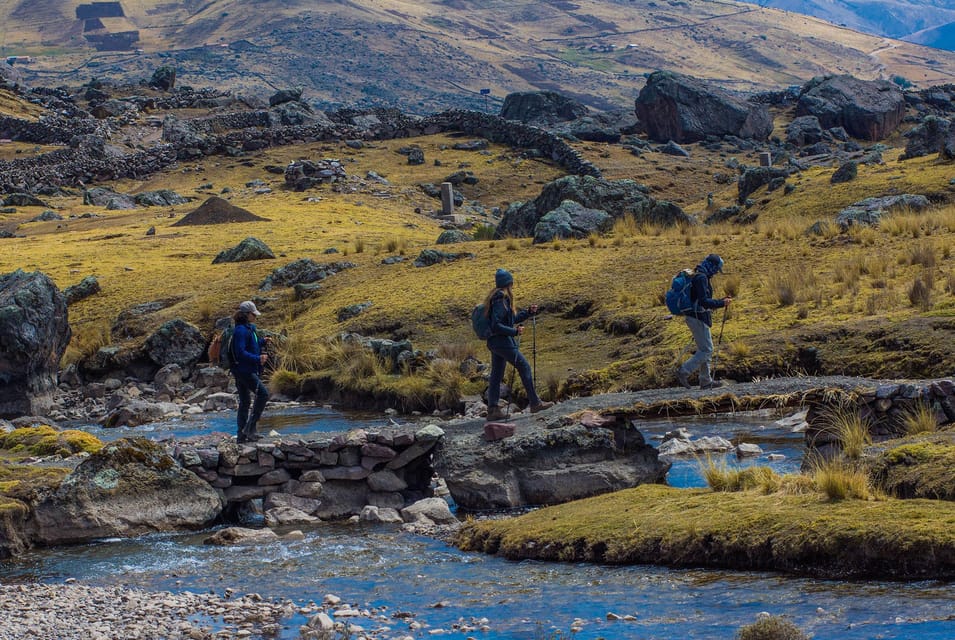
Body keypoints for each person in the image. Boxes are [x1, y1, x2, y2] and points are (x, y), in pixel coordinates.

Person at [484, 268, 554, 421]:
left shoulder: (497, 298)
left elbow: (510, 320)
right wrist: (514, 332)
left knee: (496, 375)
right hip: (503, 342)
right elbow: (496, 325)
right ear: (508, 283)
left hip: (495, 343)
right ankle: (535, 403)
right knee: (524, 366)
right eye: (511, 282)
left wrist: (528, 312)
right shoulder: (501, 299)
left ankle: (493, 410)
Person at [676, 254, 732, 390]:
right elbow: (704, 302)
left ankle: (705, 381)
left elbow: (702, 300)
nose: (716, 273)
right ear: (712, 266)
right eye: (716, 269)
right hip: (698, 318)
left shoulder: (699, 275)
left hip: (695, 317)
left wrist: (720, 301)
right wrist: (722, 303)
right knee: (707, 349)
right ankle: (684, 371)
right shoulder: (701, 278)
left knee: (704, 349)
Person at [231, 300, 270, 443]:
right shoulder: (241, 331)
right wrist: (258, 358)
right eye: (254, 314)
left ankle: (242, 435)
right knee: (263, 394)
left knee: (245, 401)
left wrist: (262, 342)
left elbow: (251, 345)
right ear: (247, 314)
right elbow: (240, 352)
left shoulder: (247, 329)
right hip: (245, 371)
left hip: (239, 370)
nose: (255, 316)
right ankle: (250, 428)